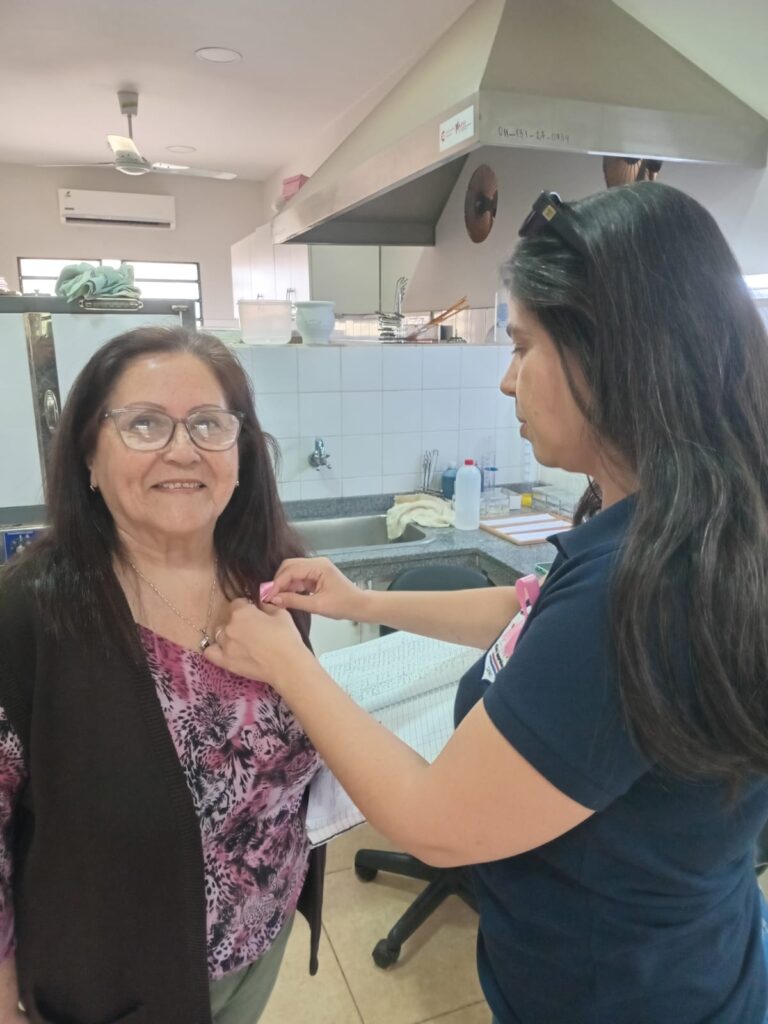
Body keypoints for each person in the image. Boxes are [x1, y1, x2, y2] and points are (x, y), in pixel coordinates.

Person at [206, 182, 768, 1024]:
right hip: (694, 954)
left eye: (523, 346)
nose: (507, 382)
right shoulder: (677, 525)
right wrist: (363, 602)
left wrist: (289, 662)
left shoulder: (642, 591)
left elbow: (435, 822)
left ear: (614, 354)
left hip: (620, 996)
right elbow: (529, 607)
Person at [0, 326, 323, 1024]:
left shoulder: (273, 579)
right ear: (89, 454)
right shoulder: (29, 611)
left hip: (260, 943)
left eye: (209, 423)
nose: (182, 450)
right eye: (144, 423)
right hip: (118, 981)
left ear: (241, 452)